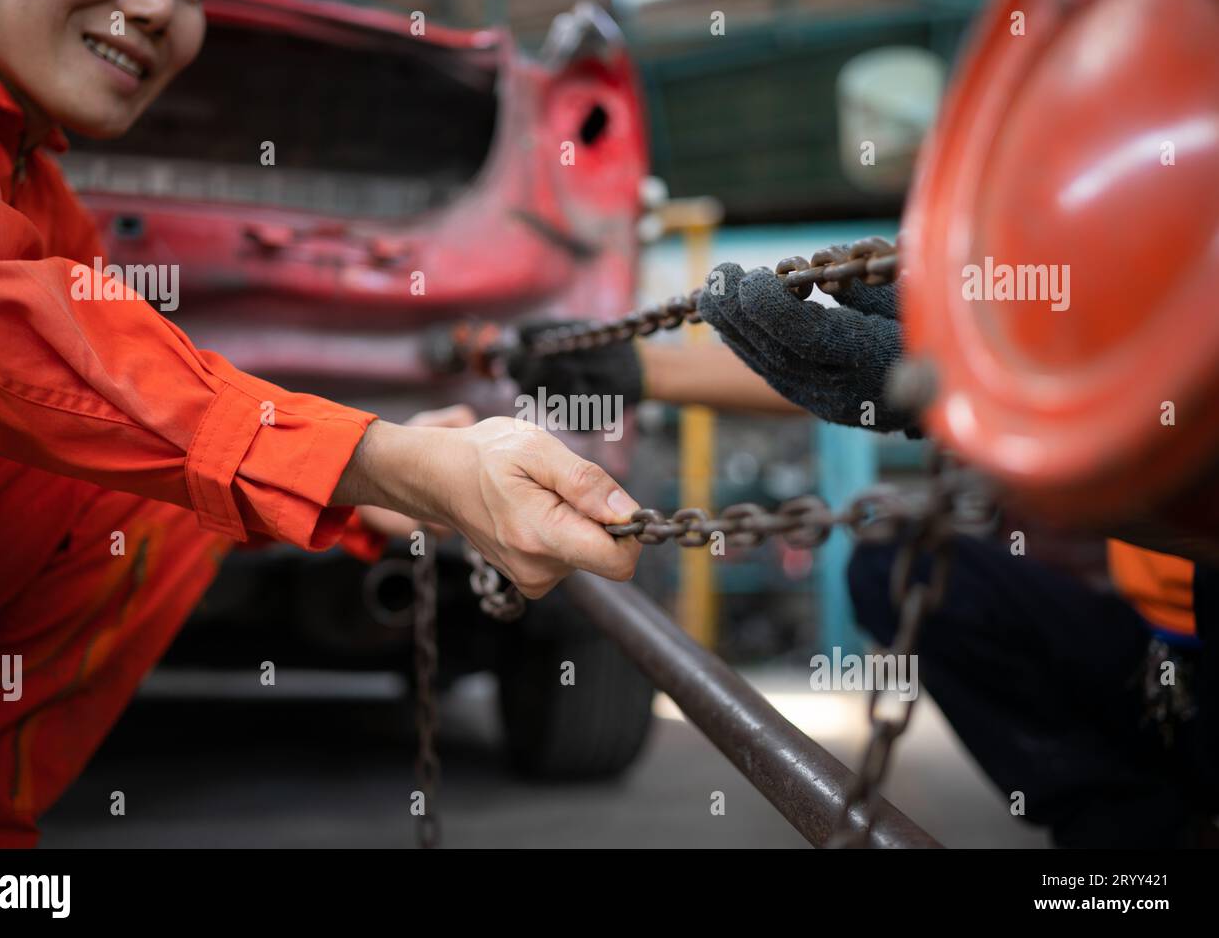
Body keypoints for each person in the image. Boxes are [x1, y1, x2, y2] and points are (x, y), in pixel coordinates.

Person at [0, 0, 640, 847]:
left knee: (135, 486)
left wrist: (370, 486)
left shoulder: (41, 200)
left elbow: (123, 413)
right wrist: (383, 459)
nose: (156, 6)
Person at [515, 256, 1219, 846]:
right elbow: (841, 356)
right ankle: (1131, 839)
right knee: (903, 567)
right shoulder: (1133, 286)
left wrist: (969, 392)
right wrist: (644, 371)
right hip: (1150, 646)